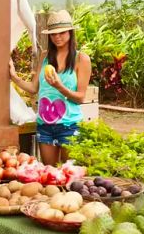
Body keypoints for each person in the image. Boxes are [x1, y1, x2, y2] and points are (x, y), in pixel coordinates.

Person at [9, 10, 91, 166]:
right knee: (50, 175)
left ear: (70, 32)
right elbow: (34, 88)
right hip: (45, 126)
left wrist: (59, 86)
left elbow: (80, 97)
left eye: (62, 32)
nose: (57, 37)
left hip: (69, 124)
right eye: (53, 34)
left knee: (70, 175)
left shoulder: (81, 59)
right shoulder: (45, 56)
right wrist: (14, 77)